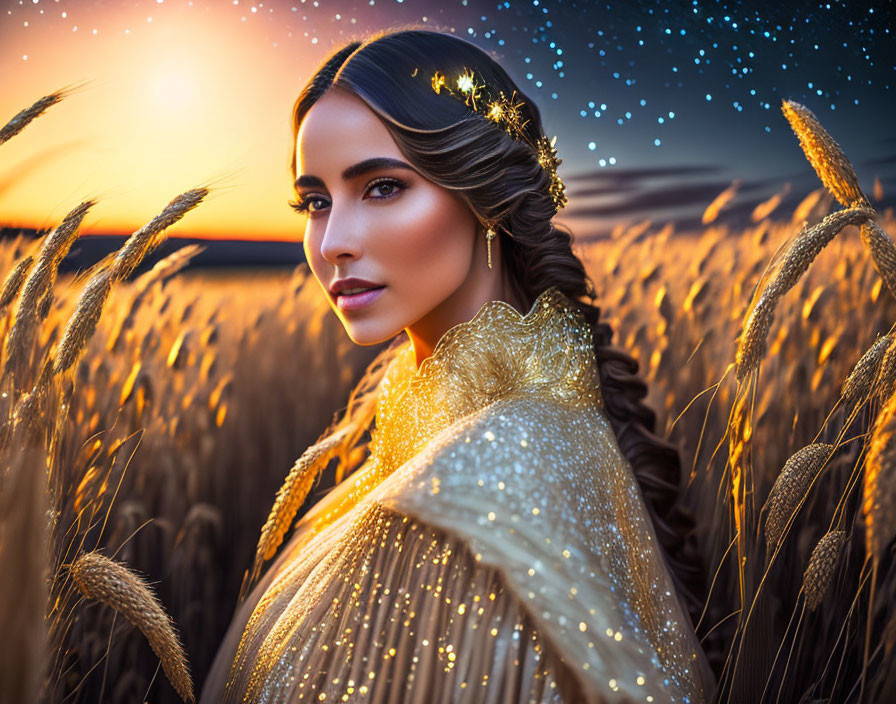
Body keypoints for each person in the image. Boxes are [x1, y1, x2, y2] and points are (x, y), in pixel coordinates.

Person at [201, 27, 716, 703]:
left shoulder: (485, 475)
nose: (332, 243)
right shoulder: (485, 426)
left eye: (382, 187)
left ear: (486, 202)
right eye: (315, 202)